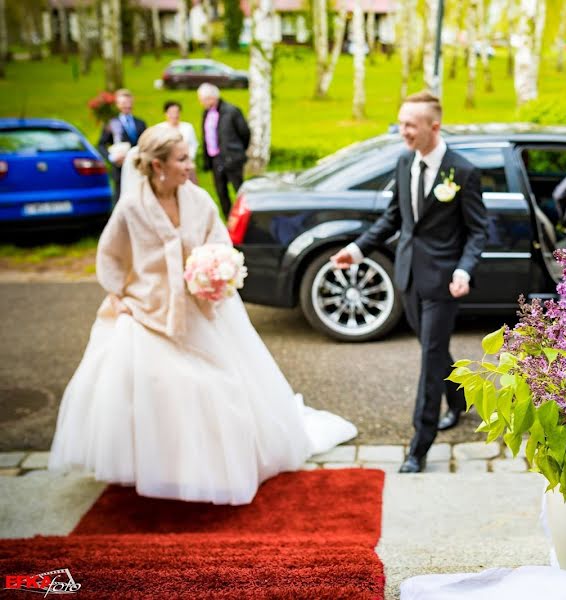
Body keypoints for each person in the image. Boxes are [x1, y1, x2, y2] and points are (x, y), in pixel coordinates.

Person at [49, 125, 356, 505]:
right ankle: (160, 470)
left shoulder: (199, 201)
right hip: (148, 310)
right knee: (155, 384)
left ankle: (216, 469)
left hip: (201, 310)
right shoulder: (131, 206)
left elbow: (221, 246)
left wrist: (215, 275)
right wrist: (120, 295)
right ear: (158, 165)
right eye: (181, 159)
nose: (189, 166)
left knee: (220, 386)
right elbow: (109, 255)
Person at [330, 91, 488, 474]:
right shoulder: (404, 162)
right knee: (434, 350)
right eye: (401, 124)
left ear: (433, 127)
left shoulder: (462, 171)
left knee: (430, 357)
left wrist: (463, 270)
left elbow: (478, 231)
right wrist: (357, 249)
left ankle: (420, 444)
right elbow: (393, 219)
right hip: (407, 277)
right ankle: (460, 399)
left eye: (409, 126)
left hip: (443, 283)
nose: (402, 132)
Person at [198, 83, 250, 217]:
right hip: (215, 158)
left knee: (239, 189)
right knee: (221, 191)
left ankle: (244, 216)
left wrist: (237, 150)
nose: (201, 102)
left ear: (212, 98)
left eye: (203, 99)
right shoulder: (206, 113)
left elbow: (245, 133)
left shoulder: (231, 111)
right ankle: (229, 218)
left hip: (231, 157)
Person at [97, 89, 147, 202]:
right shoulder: (112, 123)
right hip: (120, 169)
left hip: (137, 167)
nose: (127, 106)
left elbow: (146, 144)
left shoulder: (141, 123)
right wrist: (112, 157)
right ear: (118, 105)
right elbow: (101, 145)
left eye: (129, 102)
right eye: (124, 103)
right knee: (121, 200)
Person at [160, 100, 199, 183]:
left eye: (177, 112)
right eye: (171, 112)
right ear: (166, 113)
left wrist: (189, 157)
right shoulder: (160, 128)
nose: (175, 115)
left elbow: (193, 144)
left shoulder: (187, 127)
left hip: (187, 162)